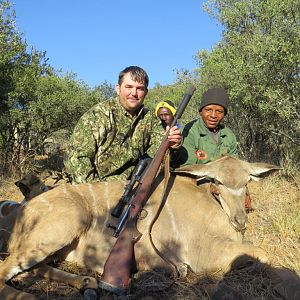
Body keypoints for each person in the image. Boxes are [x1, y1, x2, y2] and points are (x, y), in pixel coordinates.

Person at [64, 66, 182, 184]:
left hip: (133, 185)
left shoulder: (151, 119)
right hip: (99, 187)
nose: (134, 93)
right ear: (118, 88)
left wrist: (172, 145)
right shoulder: (97, 115)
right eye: (129, 87)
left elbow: (158, 156)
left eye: (140, 88)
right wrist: (96, 191)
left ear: (146, 92)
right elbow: (76, 159)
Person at [173, 87, 252, 210]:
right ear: (200, 111)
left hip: (223, 187)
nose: (213, 115)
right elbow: (187, 171)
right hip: (195, 188)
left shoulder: (228, 134)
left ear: (224, 114)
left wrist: (245, 193)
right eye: (208, 110)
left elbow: (235, 169)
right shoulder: (190, 131)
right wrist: (208, 186)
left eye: (219, 111)